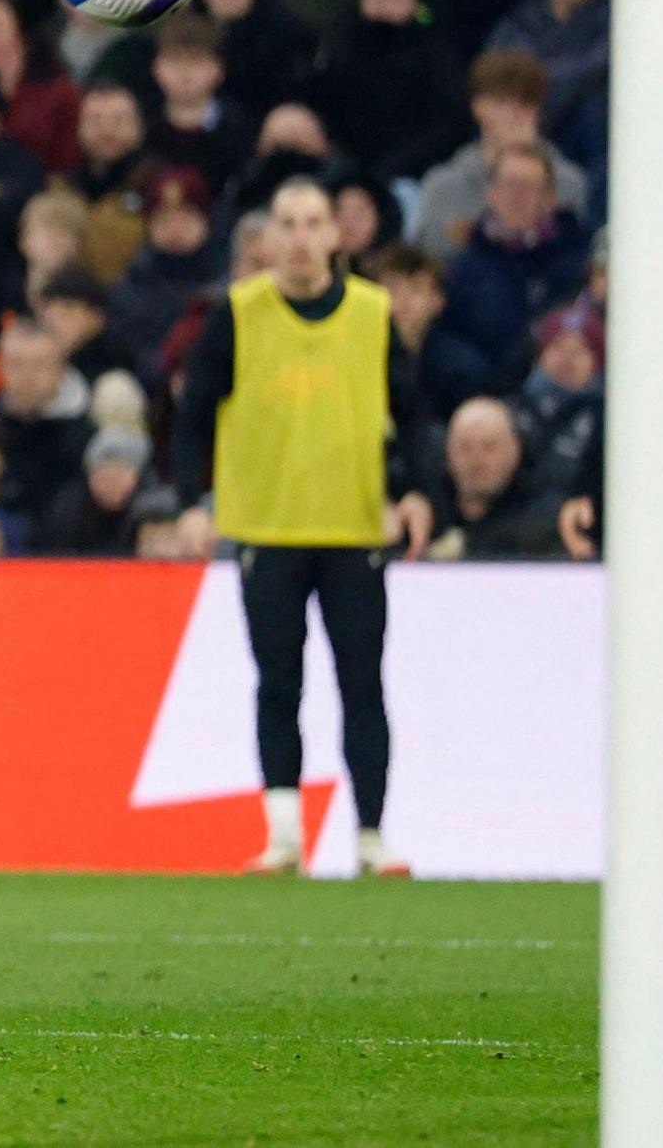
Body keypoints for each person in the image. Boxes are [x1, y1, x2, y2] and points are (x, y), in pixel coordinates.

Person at [168, 178, 429, 878]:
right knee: (277, 679)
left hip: (352, 526)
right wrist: (194, 500)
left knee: (361, 681)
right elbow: (194, 411)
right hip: (268, 524)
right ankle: (283, 832)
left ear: (337, 235)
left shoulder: (372, 315)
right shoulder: (237, 313)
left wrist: (413, 492)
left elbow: (411, 412)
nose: (302, 238)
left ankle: (372, 834)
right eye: (288, 223)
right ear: (268, 238)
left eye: (315, 222)